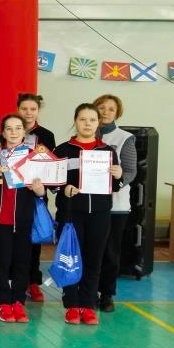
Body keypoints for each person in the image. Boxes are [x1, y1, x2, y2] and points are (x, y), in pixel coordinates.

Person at [52, 103, 124, 326]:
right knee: (71, 259)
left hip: (100, 215)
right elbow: (52, 182)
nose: (87, 124)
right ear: (75, 121)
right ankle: (72, 305)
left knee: (94, 260)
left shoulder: (108, 151)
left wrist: (118, 175)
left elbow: (115, 185)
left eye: (92, 120)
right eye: (82, 119)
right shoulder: (62, 150)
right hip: (71, 214)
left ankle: (88, 304)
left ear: (98, 123)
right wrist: (64, 188)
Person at [0, 114, 46, 324]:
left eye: (18, 128)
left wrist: (39, 190)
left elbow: (42, 192)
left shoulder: (34, 156)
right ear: (2, 132)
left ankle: (19, 302)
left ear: (24, 132)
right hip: (0, 218)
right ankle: (3, 302)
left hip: (24, 219)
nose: (13, 132)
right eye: (9, 128)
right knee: (1, 263)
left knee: (22, 262)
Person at [94, 94, 137, 312]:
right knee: (91, 252)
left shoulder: (124, 138)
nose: (106, 112)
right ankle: (89, 292)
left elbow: (130, 171)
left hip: (115, 205)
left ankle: (107, 294)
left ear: (117, 113)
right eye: (102, 107)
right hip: (89, 205)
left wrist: (118, 180)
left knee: (110, 253)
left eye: (111, 109)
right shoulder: (85, 134)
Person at [18, 92, 56, 303]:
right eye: (24, 109)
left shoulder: (46, 135)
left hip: (37, 193)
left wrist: (42, 187)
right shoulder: (11, 129)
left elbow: (52, 165)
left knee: (35, 239)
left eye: (32, 109)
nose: (28, 113)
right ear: (18, 110)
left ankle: (33, 281)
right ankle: (16, 280)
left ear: (38, 110)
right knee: (17, 240)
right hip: (15, 193)